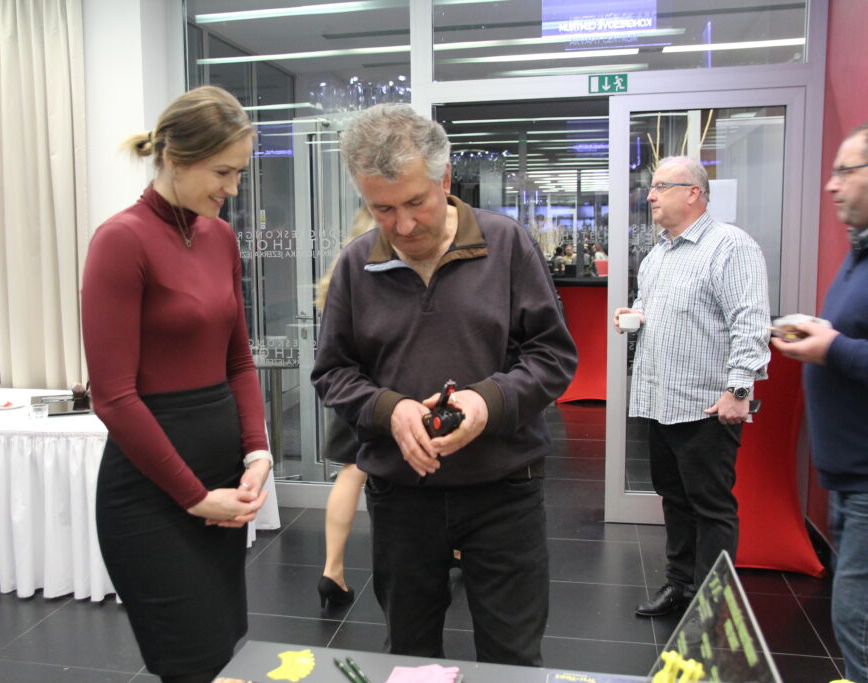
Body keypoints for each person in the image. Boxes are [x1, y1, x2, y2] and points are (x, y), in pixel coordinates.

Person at [311, 104, 577, 665]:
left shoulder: (508, 245)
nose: (404, 226)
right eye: (382, 209)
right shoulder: (356, 265)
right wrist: (389, 410)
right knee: (409, 657)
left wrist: (487, 401)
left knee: (512, 658)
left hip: (504, 489)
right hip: (401, 498)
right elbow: (332, 372)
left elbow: (553, 356)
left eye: (415, 203)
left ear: (445, 179)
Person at [81, 85, 273, 683]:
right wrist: (193, 496)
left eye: (239, 173)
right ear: (174, 158)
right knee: (193, 663)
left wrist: (257, 452)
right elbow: (113, 397)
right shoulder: (121, 240)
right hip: (153, 493)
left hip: (219, 481)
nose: (232, 189)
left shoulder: (220, 237)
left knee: (225, 651)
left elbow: (238, 361)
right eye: (222, 172)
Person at [614, 156, 770, 618]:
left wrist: (739, 391)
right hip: (660, 401)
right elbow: (653, 306)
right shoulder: (658, 254)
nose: (650, 195)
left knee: (711, 506)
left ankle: (712, 602)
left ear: (694, 192)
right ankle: (679, 585)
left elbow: (750, 322)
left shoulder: (730, 246)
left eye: (661, 186)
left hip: (706, 405)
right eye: (651, 187)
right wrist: (636, 315)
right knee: (675, 500)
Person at [773, 123, 868, 683]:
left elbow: (847, 347)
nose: (831, 186)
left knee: (856, 621)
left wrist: (830, 348)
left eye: (844, 172)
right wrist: (818, 333)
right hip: (848, 477)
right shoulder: (858, 251)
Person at [315, 207, 375, 608]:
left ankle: (332, 570)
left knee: (350, 473)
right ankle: (452, 549)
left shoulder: (343, 266)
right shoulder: (385, 264)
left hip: (348, 385)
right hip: (385, 387)